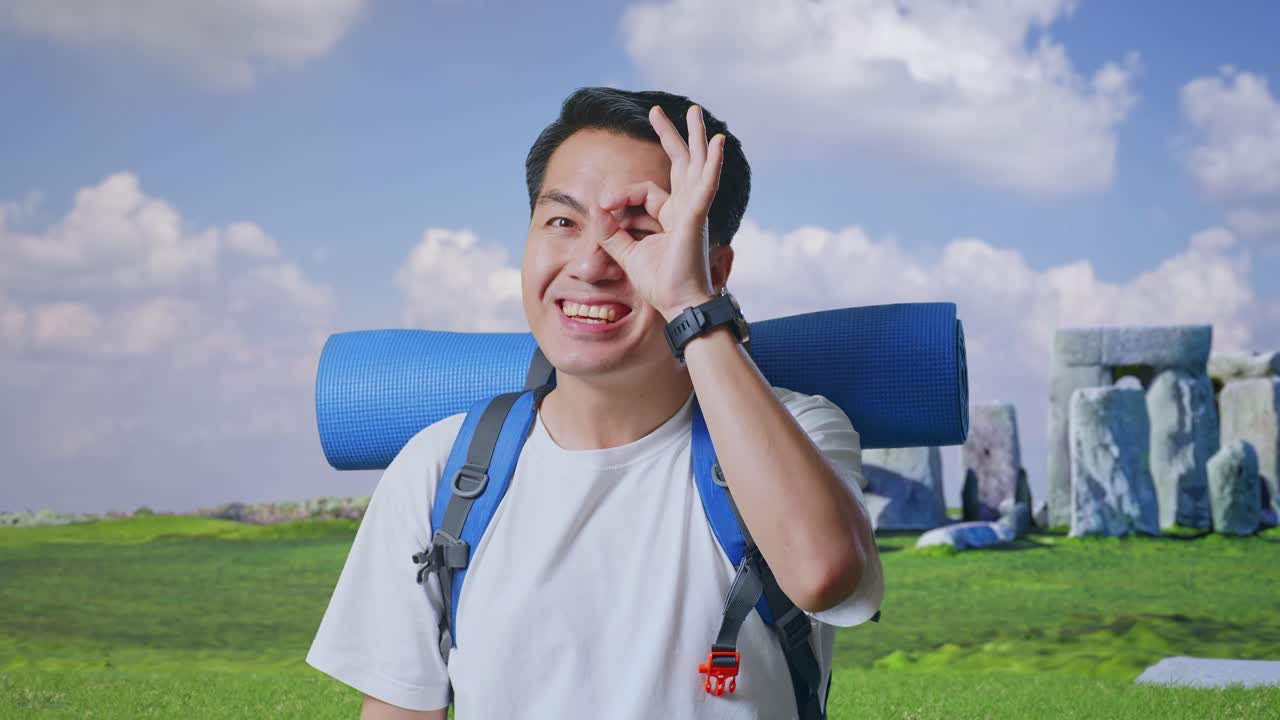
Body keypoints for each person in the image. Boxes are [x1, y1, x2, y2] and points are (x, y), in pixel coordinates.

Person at [306, 86, 884, 719]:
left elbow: (824, 575)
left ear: (715, 270)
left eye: (642, 231)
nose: (590, 263)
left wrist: (689, 304)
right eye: (562, 222)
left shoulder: (799, 431)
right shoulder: (443, 470)